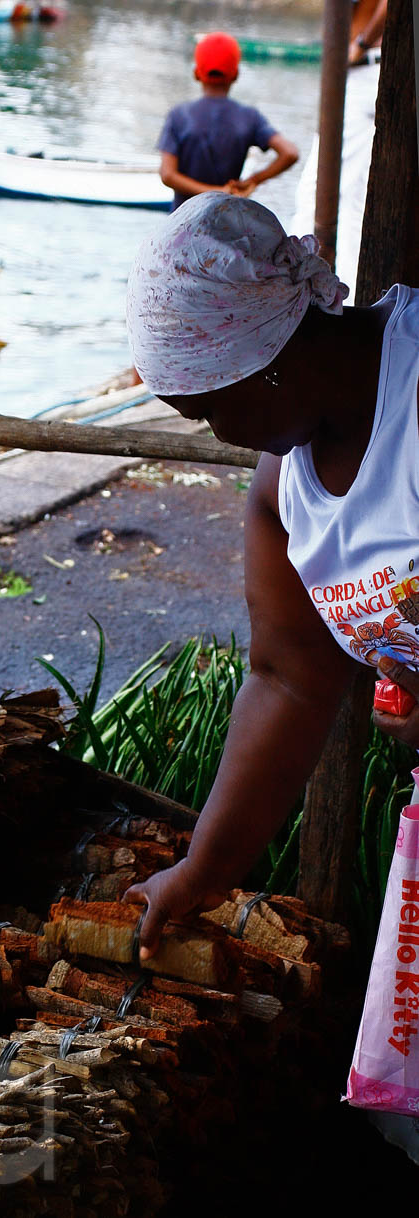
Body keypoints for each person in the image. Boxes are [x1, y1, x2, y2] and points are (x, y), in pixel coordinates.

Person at [123, 191, 419, 961]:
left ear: (269, 363)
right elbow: (289, 677)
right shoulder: (282, 487)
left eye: (209, 409)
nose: (218, 433)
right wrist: (206, 869)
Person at [290, 0, 388, 302]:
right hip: (360, 72)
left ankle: (337, 300)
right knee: (321, 197)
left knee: (338, 200)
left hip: (365, 67)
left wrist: (360, 43)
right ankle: (316, 296)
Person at [158, 31, 299, 213]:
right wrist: (252, 181)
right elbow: (290, 153)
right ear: (236, 75)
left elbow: (167, 175)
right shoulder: (249, 117)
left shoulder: (178, 115)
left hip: (181, 224)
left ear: (196, 73)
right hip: (226, 224)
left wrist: (213, 192)